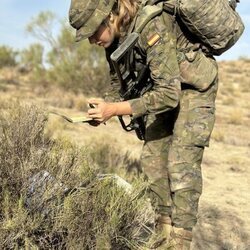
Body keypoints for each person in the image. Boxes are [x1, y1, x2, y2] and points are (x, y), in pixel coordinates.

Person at [68, 0, 218, 249]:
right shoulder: (115, 40)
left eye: (93, 31)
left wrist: (114, 110)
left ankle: (179, 242)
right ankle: (162, 237)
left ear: (110, 17)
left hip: (194, 87)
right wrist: (105, 107)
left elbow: (169, 94)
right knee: (152, 160)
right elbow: (120, 84)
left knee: (181, 164)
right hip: (162, 89)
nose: (92, 40)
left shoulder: (151, 25)